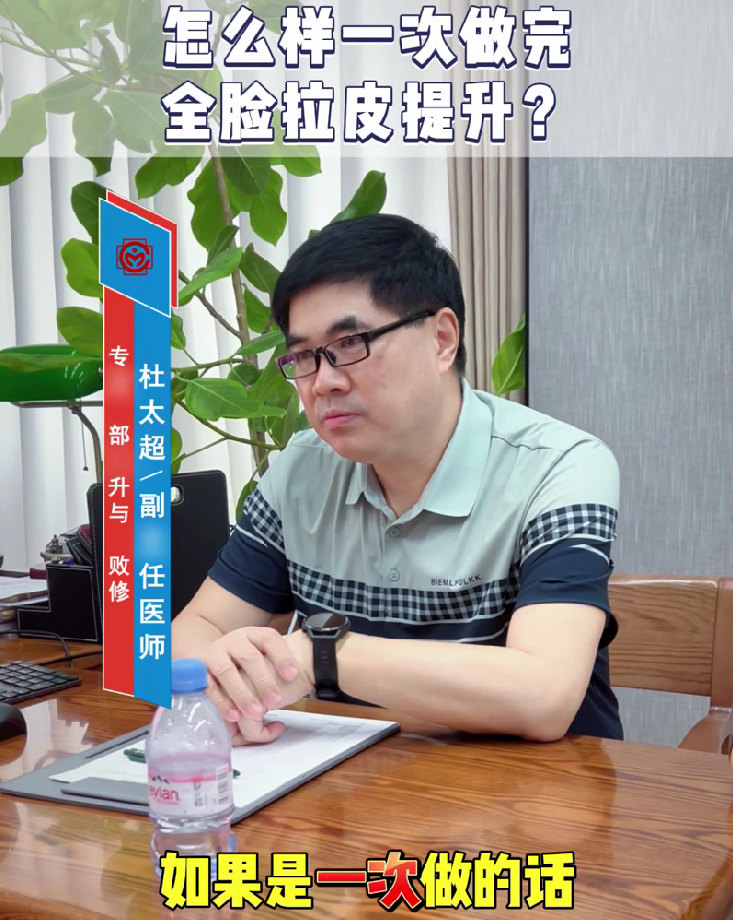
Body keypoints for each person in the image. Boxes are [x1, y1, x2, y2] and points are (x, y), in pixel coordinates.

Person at [172, 213, 622, 746]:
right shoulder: (301, 470)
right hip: (354, 780)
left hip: (539, 788)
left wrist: (323, 655)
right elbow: (193, 633)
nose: (323, 382)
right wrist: (228, 685)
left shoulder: (560, 466)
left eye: (351, 343)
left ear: (441, 340)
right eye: (304, 357)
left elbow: (543, 695)